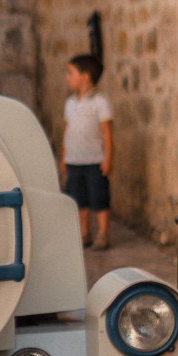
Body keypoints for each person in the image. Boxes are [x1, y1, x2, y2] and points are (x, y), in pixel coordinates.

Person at [61, 53, 113, 251]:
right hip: (75, 159)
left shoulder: (100, 102)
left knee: (98, 196)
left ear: (85, 76)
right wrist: (64, 156)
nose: (68, 77)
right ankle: (84, 233)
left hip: (95, 160)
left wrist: (108, 158)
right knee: (78, 198)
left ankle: (103, 233)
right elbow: (67, 130)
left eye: (71, 73)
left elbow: (107, 133)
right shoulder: (70, 103)